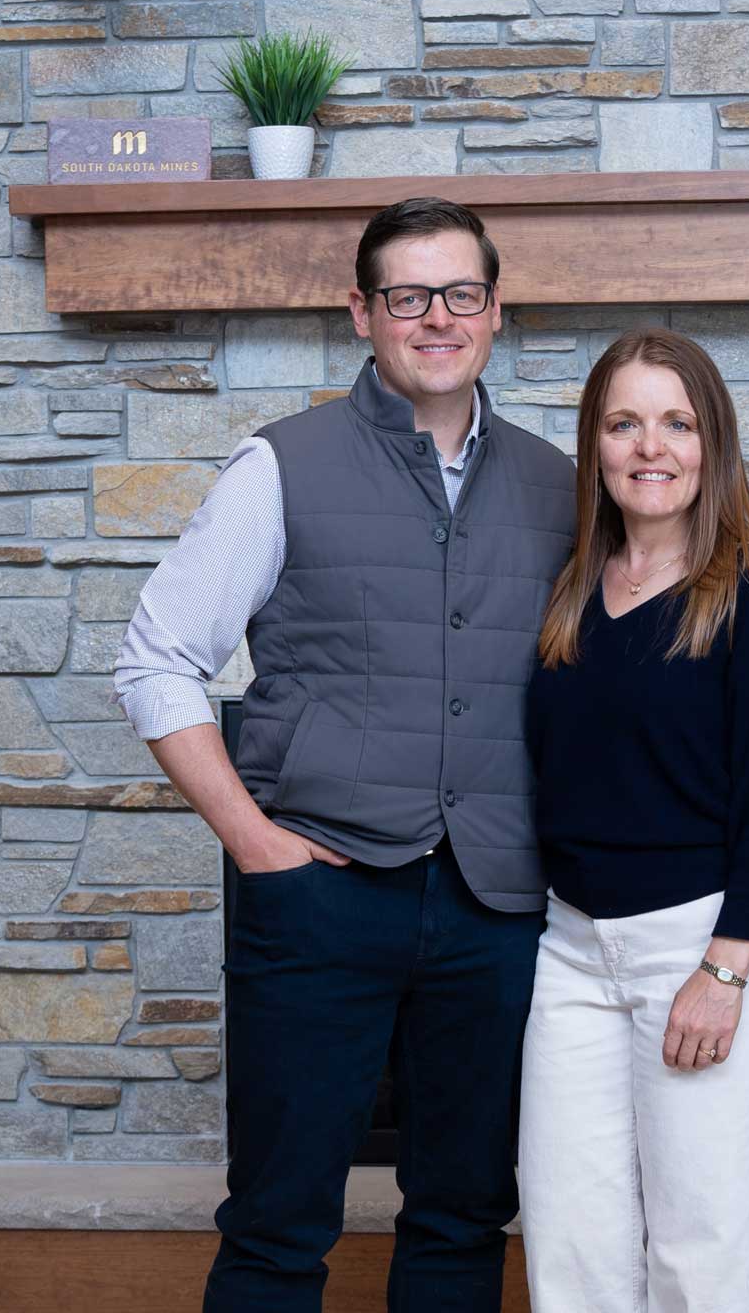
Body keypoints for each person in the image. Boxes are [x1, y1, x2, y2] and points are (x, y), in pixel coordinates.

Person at [112, 197, 576, 1313]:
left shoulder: (561, 486)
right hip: (319, 895)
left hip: (495, 906)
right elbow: (157, 659)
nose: (436, 317)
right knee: (278, 1221)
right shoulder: (282, 464)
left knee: (466, 1213)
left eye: (460, 293)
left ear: (496, 311)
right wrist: (251, 839)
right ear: (361, 311)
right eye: (407, 295)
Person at [518, 328, 749, 1313]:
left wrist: (724, 967)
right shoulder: (572, 589)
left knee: (698, 1262)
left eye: (676, 421)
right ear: (595, 445)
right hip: (572, 952)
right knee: (571, 1252)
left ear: (713, 442)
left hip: (702, 950)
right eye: (624, 423)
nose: (650, 446)